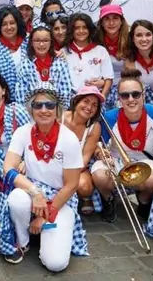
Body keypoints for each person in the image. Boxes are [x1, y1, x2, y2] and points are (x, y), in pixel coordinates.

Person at [0, 84, 88, 269]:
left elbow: (71, 186)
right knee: (16, 198)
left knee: (56, 264)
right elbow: (8, 168)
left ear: (57, 109)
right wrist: (35, 192)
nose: (43, 110)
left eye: (49, 105)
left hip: (60, 198)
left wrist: (47, 215)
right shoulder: (23, 132)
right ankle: (23, 241)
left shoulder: (68, 139)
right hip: (33, 191)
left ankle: (42, 227)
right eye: (38, 106)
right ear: (31, 109)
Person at [93, 69, 153, 224]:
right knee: (99, 176)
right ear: (119, 99)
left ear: (143, 95)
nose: (131, 99)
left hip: (146, 160)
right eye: (125, 95)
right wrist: (101, 154)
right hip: (116, 160)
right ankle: (108, 200)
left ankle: (144, 200)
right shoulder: (110, 117)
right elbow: (98, 145)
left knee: (152, 180)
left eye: (136, 94)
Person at [62, 87, 104, 215]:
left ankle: (84, 197)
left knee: (84, 186)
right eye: (86, 101)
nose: (89, 107)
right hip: (52, 161)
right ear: (76, 101)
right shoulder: (60, 117)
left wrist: (65, 174)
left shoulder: (94, 127)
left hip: (76, 166)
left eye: (94, 105)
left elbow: (85, 158)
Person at [15, 26, 74, 107]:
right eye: (37, 40)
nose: (41, 44)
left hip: (57, 112)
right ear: (31, 43)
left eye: (46, 40)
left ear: (51, 42)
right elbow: (21, 96)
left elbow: (66, 93)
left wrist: (59, 114)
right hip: (32, 112)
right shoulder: (24, 65)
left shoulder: (60, 63)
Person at [63, 13, 113, 98]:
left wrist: (102, 97)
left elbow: (108, 78)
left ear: (90, 29)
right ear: (71, 30)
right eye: (77, 28)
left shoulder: (100, 50)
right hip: (73, 99)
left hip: (96, 97)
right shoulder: (64, 52)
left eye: (85, 27)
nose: (81, 31)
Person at [0, 6, 29, 96]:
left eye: (12, 23)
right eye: (4, 24)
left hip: (31, 99)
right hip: (4, 100)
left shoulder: (28, 42)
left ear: (18, 24)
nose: (9, 27)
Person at [96, 5, 128, 108]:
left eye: (115, 18)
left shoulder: (131, 40)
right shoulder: (94, 41)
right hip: (101, 87)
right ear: (101, 22)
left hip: (125, 87)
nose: (111, 23)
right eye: (107, 19)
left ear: (121, 21)